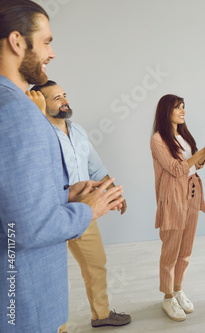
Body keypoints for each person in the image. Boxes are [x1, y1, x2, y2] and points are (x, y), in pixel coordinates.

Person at [0, 1, 124, 332]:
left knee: (96, 267)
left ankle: (102, 314)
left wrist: (67, 193)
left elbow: (15, 199)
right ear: (17, 42)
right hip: (27, 308)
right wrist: (90, 209)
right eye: (46, 41)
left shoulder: (69, 129)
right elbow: (24, 230)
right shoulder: (21, 115)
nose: (51, 53)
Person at [30, 80, 132, 330]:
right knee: (52, 278)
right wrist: (36, 115)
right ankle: (57, 327)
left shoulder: (77, 131)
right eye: (56, 98)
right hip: (50, 214)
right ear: (41, 103)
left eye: (64, 95)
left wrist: (113, 193)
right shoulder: (37, 134)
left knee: (96, 264)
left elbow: (95, 167)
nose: (64, 100)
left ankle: (101, 314)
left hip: (82, 209)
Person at [151, 94, 205, 322]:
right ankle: (167, 297)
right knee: (171, 249)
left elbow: (195, 165)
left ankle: (177, 289)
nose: (183, 111)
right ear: (166, 111)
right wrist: (203, 152)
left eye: (184, 107)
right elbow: (177, 169)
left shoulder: (183, 136)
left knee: (185, 249)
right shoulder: (158, 139)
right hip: (173, 196)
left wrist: (203, 156)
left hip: (192, 192)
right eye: (178, 107)